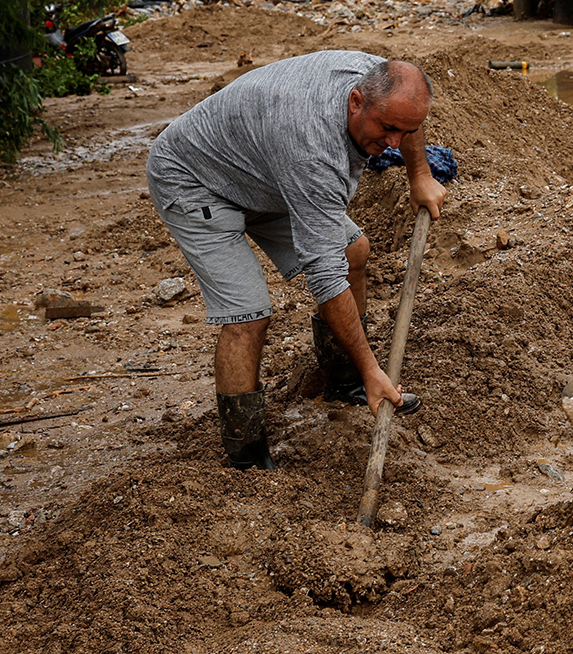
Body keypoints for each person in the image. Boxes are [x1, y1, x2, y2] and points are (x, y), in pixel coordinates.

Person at [145, 51, 447, 469]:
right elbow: (325, 277)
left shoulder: (384, 82)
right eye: (386, 129)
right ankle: (247, 459)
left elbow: (406, 118)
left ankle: (345, 382)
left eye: (405, 130)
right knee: (247, 314)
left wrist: (420, 176)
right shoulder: (312, 147)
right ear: (356, 102)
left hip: (263, 172)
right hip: (196, 178)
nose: (393, 143)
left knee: (352, 250)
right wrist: (374, 367)